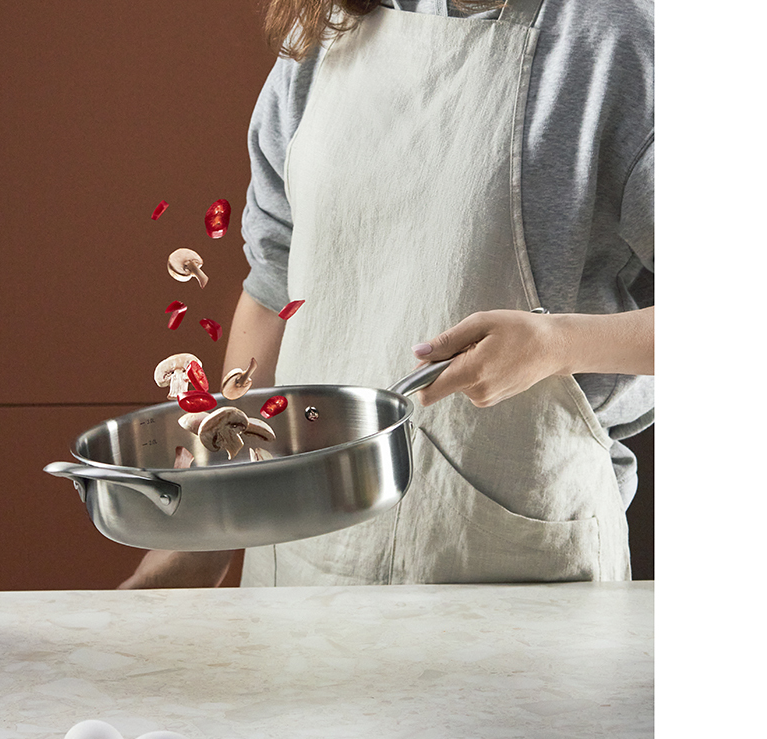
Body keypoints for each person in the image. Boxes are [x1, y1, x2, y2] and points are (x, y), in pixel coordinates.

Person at [119, 0, 654, 589]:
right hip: (306, 558)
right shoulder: (330, 19)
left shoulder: (620, 40)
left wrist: (557, 343)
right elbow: (274, 288)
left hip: (515, 564)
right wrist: (214, 517)